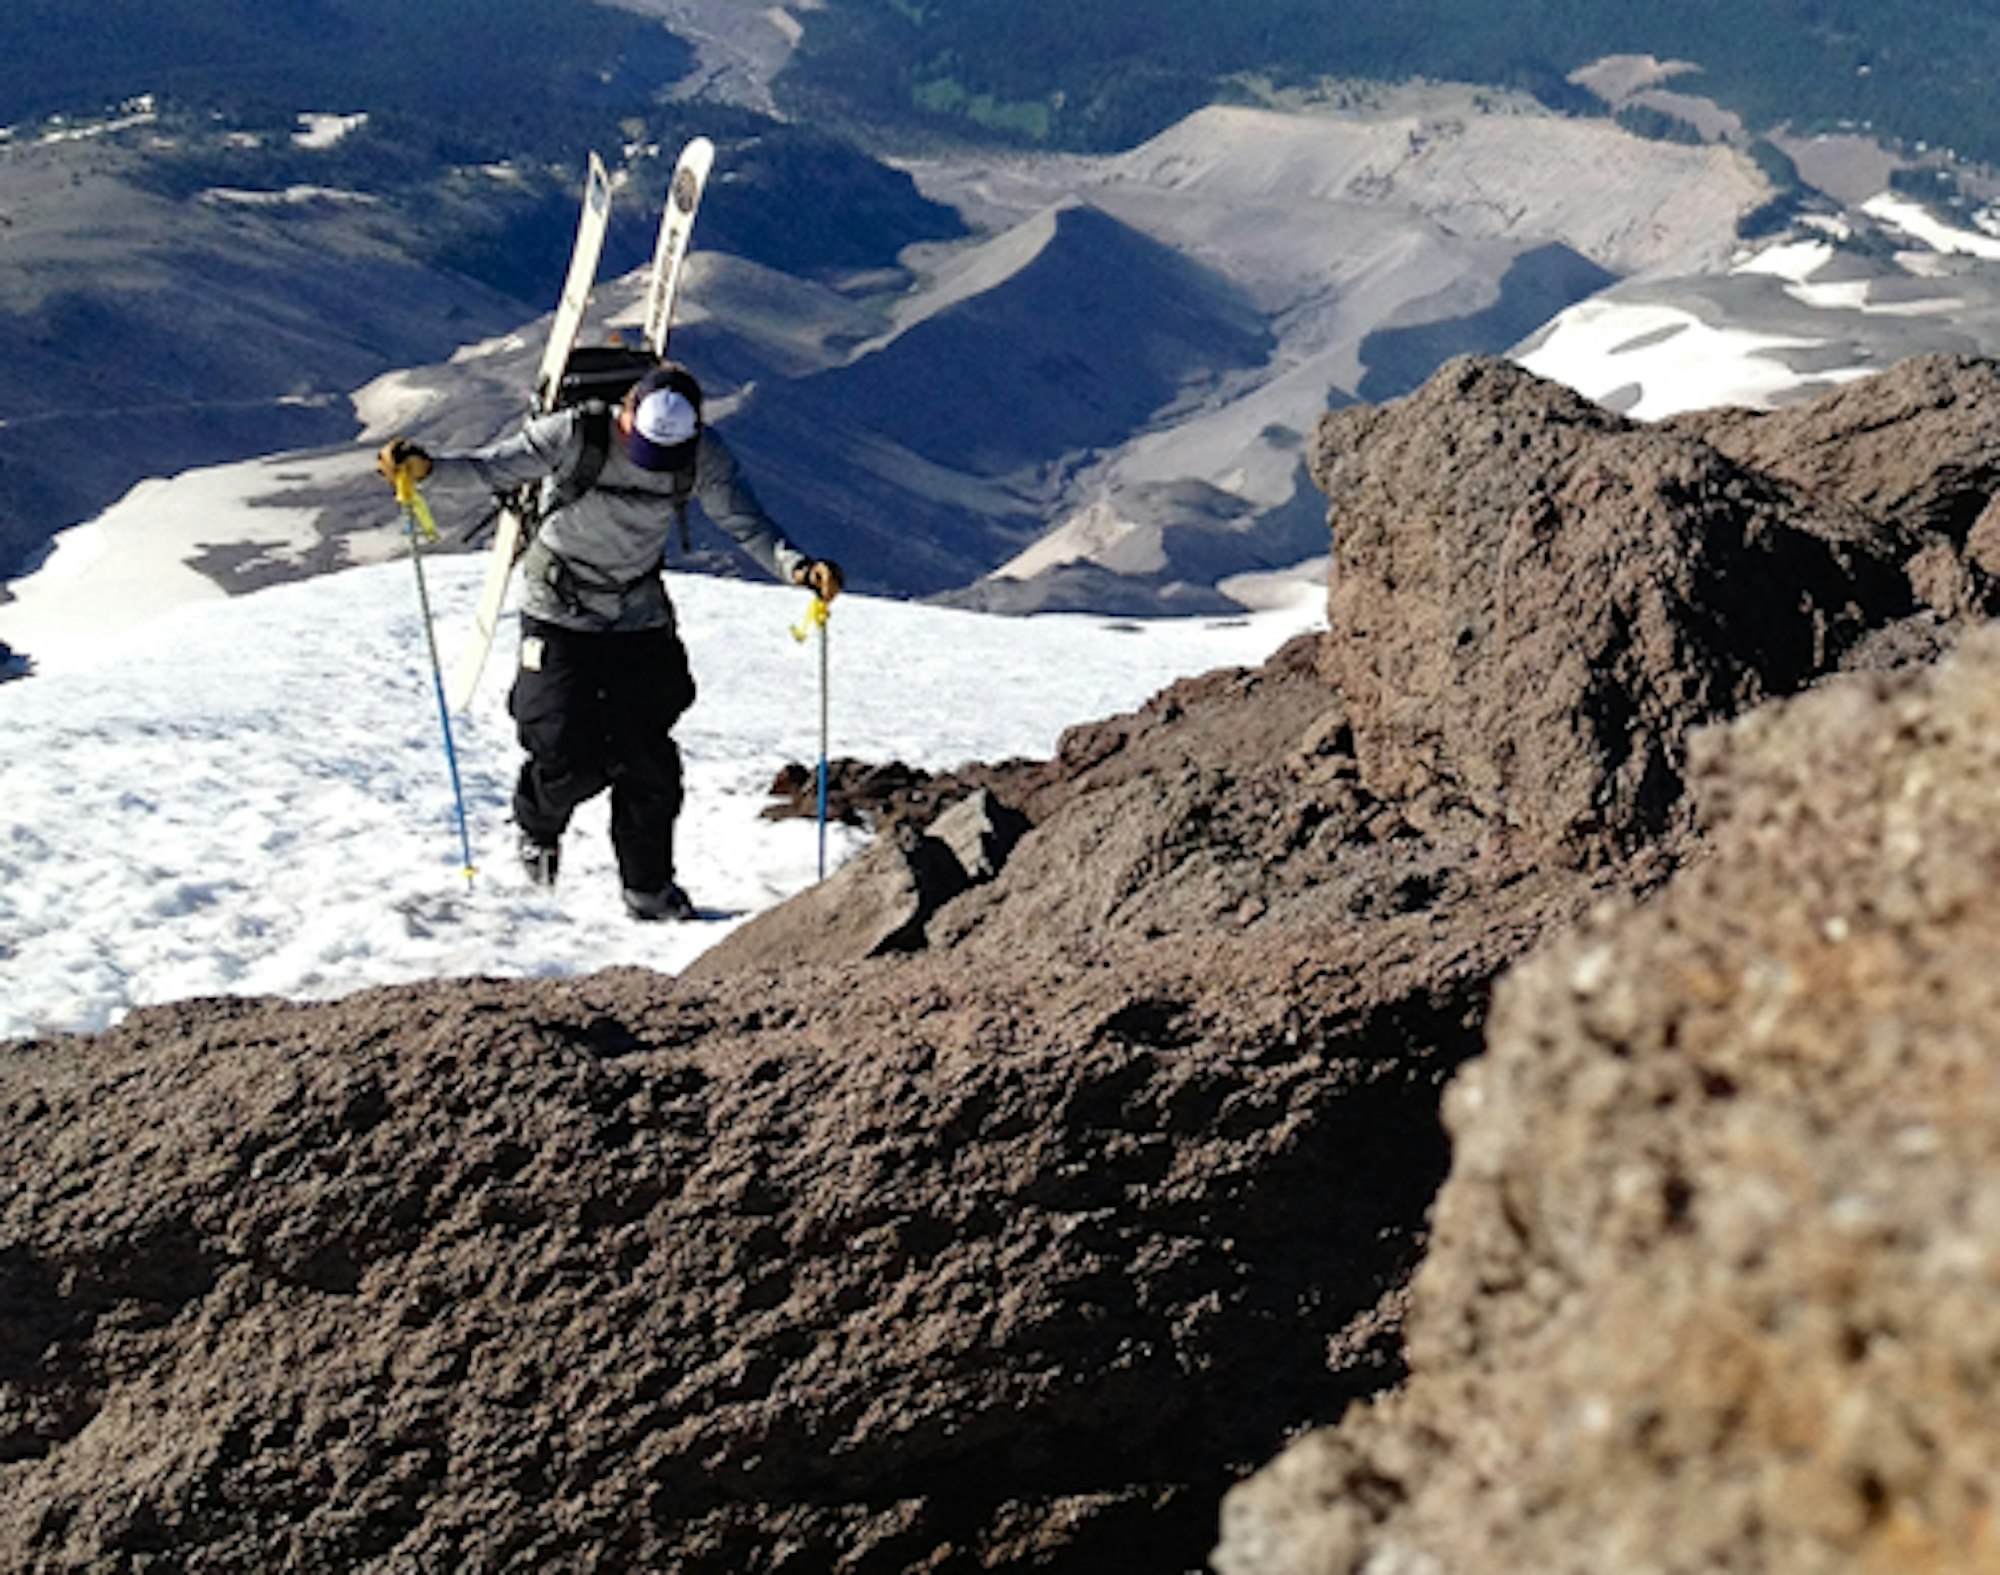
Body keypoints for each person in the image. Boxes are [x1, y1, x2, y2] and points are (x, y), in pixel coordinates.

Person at [377, 363, 842, 921]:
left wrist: (797, 569)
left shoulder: (701, 454)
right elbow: (494, 470)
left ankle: (648, 890)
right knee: (567, 749)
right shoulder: (575, 434)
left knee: (647, 757)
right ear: (625, 414)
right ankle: (537, 823)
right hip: (557, 610)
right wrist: (425, 471)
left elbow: (746, 523)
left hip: (636, 615)